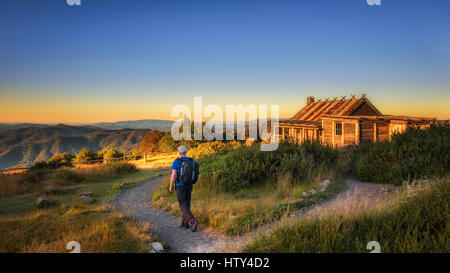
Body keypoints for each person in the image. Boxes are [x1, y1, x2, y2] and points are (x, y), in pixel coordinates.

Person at [169, 145, 199, 232]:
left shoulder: (177, 161)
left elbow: (173, 174)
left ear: (179, 152)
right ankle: (185, 223)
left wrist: (170, 185)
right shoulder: (191, 160)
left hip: (180, 185)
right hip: (189, 185)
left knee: (182, 204)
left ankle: (193, 221)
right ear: (186, 152)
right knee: (187, 204)